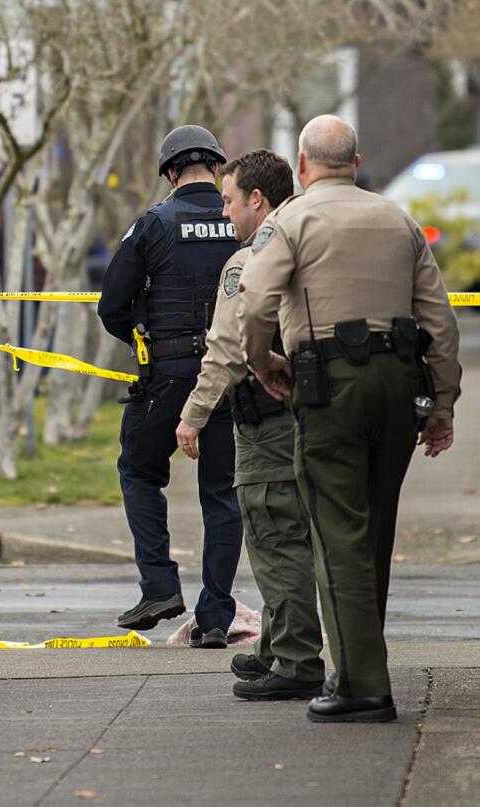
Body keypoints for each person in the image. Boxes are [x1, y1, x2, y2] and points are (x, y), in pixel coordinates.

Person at [237, 115, 461, 723]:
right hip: (398, 384)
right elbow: (439, 319)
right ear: (356, 164)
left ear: (302, 167)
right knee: (373, 530)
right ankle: (358, 663)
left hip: (326, 382)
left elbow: (254, 303)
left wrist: (263, 365)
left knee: (337, 532)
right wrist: (441, 404)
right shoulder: (399, 220)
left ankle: (362, 685)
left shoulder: (291, 219)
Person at [173, 149, 325, 699]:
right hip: (326, 411)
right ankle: (280, 642)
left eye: (230, 201)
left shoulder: (248, 260)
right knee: (310, 535)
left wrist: (192, 417)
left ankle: (295, 659)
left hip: (267, 419)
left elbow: (228, 348)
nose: (225, 214)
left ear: (257, 200)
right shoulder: (316, 238)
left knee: (274, 535)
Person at [97, 124, 243, 647]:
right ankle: (216, 618)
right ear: (216, 168)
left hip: (168, 375)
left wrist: (144, 333)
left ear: (171, 172)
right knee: (223, 495)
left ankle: (159, 586)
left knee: (139, 471)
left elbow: (110, 306)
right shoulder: (243, 222)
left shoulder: (153, 224)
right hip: (231, 376)